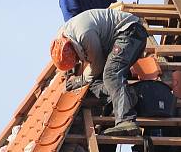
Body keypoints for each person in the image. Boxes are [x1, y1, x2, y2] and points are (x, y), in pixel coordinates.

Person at [50, 8, 148, 136]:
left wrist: (81, 80)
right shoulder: (64, 37)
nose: (78, 60)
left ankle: (126, 120)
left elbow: (97, 64)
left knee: (111, 74)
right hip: (123, 37)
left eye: (76, 59)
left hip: (130, 32)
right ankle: (128, 95)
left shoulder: (84, 34)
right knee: (95, 83)